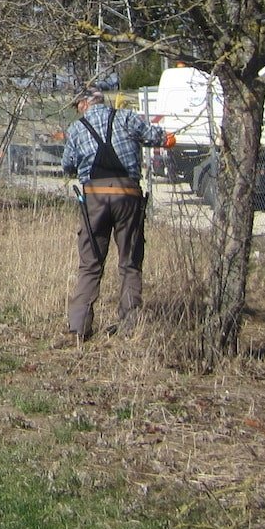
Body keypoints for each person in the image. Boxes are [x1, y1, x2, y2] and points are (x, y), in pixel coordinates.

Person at [60, 87, 176, 341]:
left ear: (83, 104)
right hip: (128, 196)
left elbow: (67, 165)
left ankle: (78, 328)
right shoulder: (126, 117)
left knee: (90, 264)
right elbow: (155, 136)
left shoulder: (77, 128)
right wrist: (169, 138)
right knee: (130, 262)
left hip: (94, 200)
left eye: (77, 106)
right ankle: (130, 326)